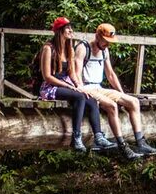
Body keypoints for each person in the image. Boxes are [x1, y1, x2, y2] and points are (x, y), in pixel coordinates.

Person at [75, 23, 156, 156]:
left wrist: (121, 93)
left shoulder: (105, 51)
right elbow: (76, 72)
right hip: (86, 87)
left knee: (133, 102)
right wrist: (81, 89)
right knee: (112, 106)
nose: (107, 44)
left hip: (99, 87)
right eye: (105, 41)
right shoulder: (83, 47)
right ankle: (122, 145)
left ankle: (141, 142)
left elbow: (110, 74)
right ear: (97, 36)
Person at [36, 17, 106, 153]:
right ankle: (76, 137)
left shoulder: (69, 49)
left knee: (90, 99)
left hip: (66, 84)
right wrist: (69, 87)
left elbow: (72, 73)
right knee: (80, 97)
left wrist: (79, 86)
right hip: (51, 87)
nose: (71, 30)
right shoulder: (48, 48)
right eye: (68, 28)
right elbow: (47, 76)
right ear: (59, 31)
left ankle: (99, 136)